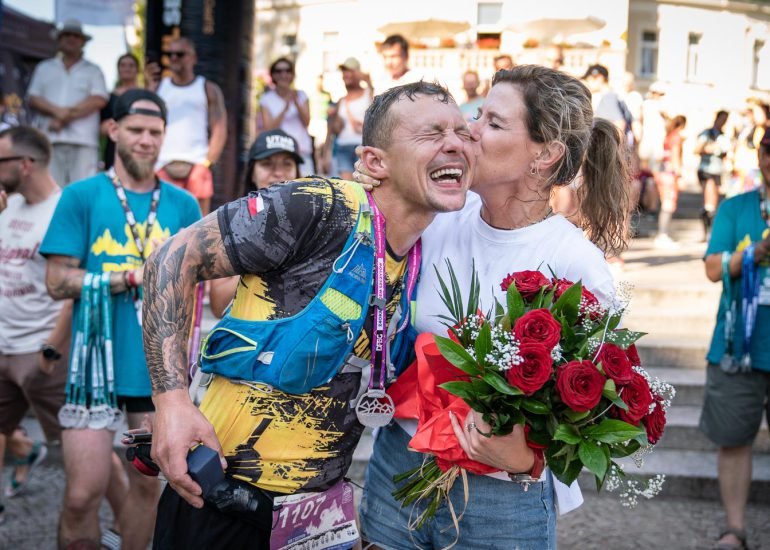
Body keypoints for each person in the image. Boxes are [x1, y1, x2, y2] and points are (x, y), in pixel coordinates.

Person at [141, 81, 473, 549]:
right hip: (220, 499)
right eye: (432, 133)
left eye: (463, 132)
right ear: (375, 161)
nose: (455, 143)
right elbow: (171, 259)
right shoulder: (321, 206)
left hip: (317, 516)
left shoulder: (427, 249)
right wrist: (171, 403)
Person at [356, 64, 630, 550]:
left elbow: (599, 397)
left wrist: (527, 458)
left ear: (544, 155)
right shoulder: (441, 215)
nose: (471, 130)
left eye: (493, 122)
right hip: (399, 462)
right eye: (478, 114)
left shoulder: (575, 262)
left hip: (501, 496)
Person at [40, 89, 201, 550]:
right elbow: (57, 280)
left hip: (155, 373)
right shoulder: (81, 195)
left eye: (155, 132)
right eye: (135, 130)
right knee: (80, 496)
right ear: (113, 130)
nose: (146, 140)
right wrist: (128, 277)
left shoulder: (184, 205)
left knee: (148, 489)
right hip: (93, 369)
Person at [701, 130, 770, 550]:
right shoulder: (735, 207)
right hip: (737, 347)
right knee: (733, 440)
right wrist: (755, 253)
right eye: (768, 150)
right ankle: (735, 529)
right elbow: (712, 267)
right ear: (759, 155)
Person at [0, 126, 66, 520]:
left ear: (24, 164)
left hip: (42, 351)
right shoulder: (8, 206)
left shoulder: (63, 210)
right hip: (3, 344)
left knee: (80, 447)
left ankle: (127, 530)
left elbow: (72, 288)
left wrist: (51, 349)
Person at [208, 128, 303, 318]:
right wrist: (263, 259)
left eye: (287, 164)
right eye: (267, 164)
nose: (278, 173)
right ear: (252, 173)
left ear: (298, 173)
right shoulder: (230, 223)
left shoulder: (315, 223)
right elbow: (218, 305)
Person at [147, 37, 227, 215]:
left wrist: (206, 164)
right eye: (170, 54)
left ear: (193, 58)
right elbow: (146, 124)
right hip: (163, 164)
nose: (174, 58)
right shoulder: (158, 88)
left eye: (180, 54)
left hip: (197, 164)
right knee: (164, 222)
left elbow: (220, 128)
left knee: (199, 225)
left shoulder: (208, 88)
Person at [26, 19, 108, 187]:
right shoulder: (44, 68)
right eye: (66, 35)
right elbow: (33, 98)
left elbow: (98, 99)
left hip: (83, 141)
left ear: (83, 42)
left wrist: (63, 118)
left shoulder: (93, 70)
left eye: (76, 36)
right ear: (59, 40)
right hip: (49, 140)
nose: (71, 39)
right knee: (50, 191)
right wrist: (59, 113)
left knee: (83, 191)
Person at [258, 57, 314, 175]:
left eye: (288, 71)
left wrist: (296, 102)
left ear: (292, 75)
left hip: (302, 152)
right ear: (273, 75)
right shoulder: (266, 99)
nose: (283, 75)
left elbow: (307, 122)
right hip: (279, 154)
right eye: (279, 71)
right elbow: (269, 128)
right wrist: (285, 107)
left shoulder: (302, 95)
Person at [328, 57, 372, 180]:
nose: (346, 74)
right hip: (343, 147)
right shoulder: (341, 100)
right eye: (344, 71)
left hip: (363, 147)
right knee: (346, 187)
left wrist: (368, 81)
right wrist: (326, 153)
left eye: (350, 71)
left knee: (363, 186)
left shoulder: (369, 94)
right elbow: (333, 129)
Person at [100, 53, 141, 170]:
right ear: (118, 69)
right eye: (123, 65)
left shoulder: (144, 95)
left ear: (137, 69)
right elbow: (102, 127)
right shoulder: (108, 97)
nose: (127, 68)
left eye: (131, 65)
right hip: (114, 149)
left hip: (138, 147)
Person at [695, 110, 730, 240]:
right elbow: (697, 149)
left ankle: (710, 232)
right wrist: (711, 148)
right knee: (709, 202)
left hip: (717, 170)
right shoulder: (707, 133)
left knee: (713, 202)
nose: (723, 122)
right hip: (706, 170)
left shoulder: (723, 135)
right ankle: (707, 233)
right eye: (722, 119)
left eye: (725, 120)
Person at [654, 114, 687, 249]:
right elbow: (675, 157)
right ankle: (663, 235)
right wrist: (679, 176)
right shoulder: (676, 137)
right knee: (668, 204)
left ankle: (663, 234)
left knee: (666, 204)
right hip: (670, 175)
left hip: (663, 173)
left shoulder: (668, 136)